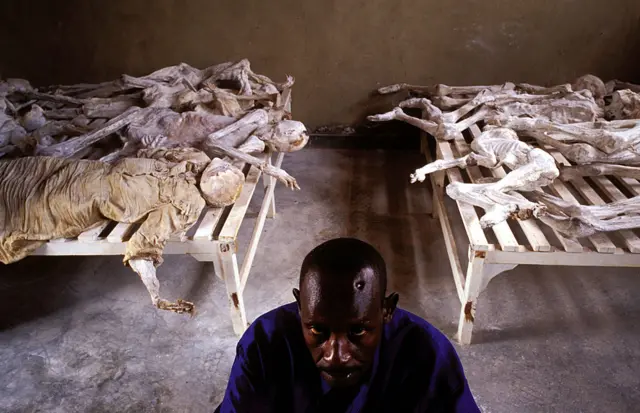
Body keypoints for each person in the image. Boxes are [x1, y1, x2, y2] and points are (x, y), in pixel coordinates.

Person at [215, 238, 480, 412]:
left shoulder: (429, 355)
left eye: (357, 331)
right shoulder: (263, 344)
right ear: (299, 307)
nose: (335, 355)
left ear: (386, 310)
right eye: (318, 330)